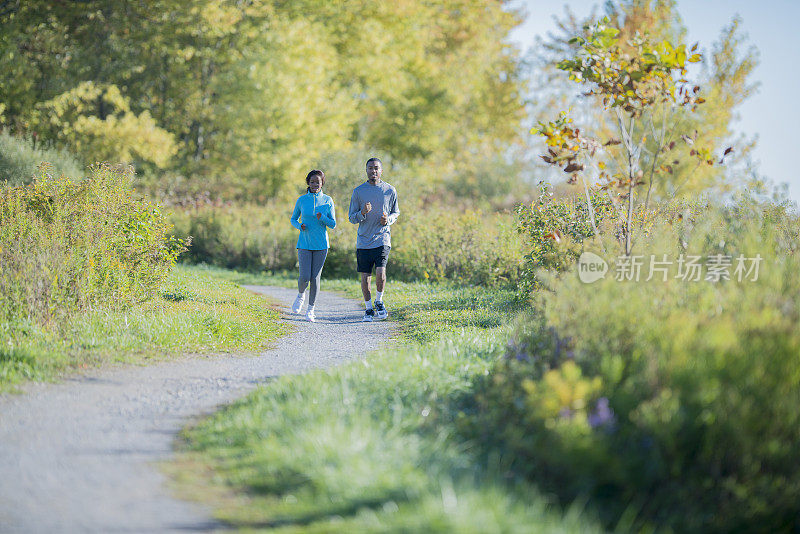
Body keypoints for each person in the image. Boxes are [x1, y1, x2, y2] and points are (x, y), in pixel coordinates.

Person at [348, 157, 399, 322]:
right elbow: (351, 218)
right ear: (366, 170)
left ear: (381, 171)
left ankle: (379, 300)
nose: (373, 171)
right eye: (370, 168)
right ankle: (369, 308)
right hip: (363, 240)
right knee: (365, 277)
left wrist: (388, 220)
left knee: (381, 272)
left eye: (376, 168)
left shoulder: (390, 190)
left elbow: (396, 212)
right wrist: (362, 213)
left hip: (382, 238)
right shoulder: (358, 191)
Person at [290, 169, 336, 322]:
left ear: (322, 183)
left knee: (315, 278)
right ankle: (300, 295)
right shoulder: (302, 200)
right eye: (312, 181)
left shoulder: (328, 200)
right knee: (304, 276)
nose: (315, 184)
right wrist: (299, 226)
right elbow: (293, 219)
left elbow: (333, 224)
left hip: (321, 244)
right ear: (308, 183)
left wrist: (322, 218)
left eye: (318, 181)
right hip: (304, 243)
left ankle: (311, 310)